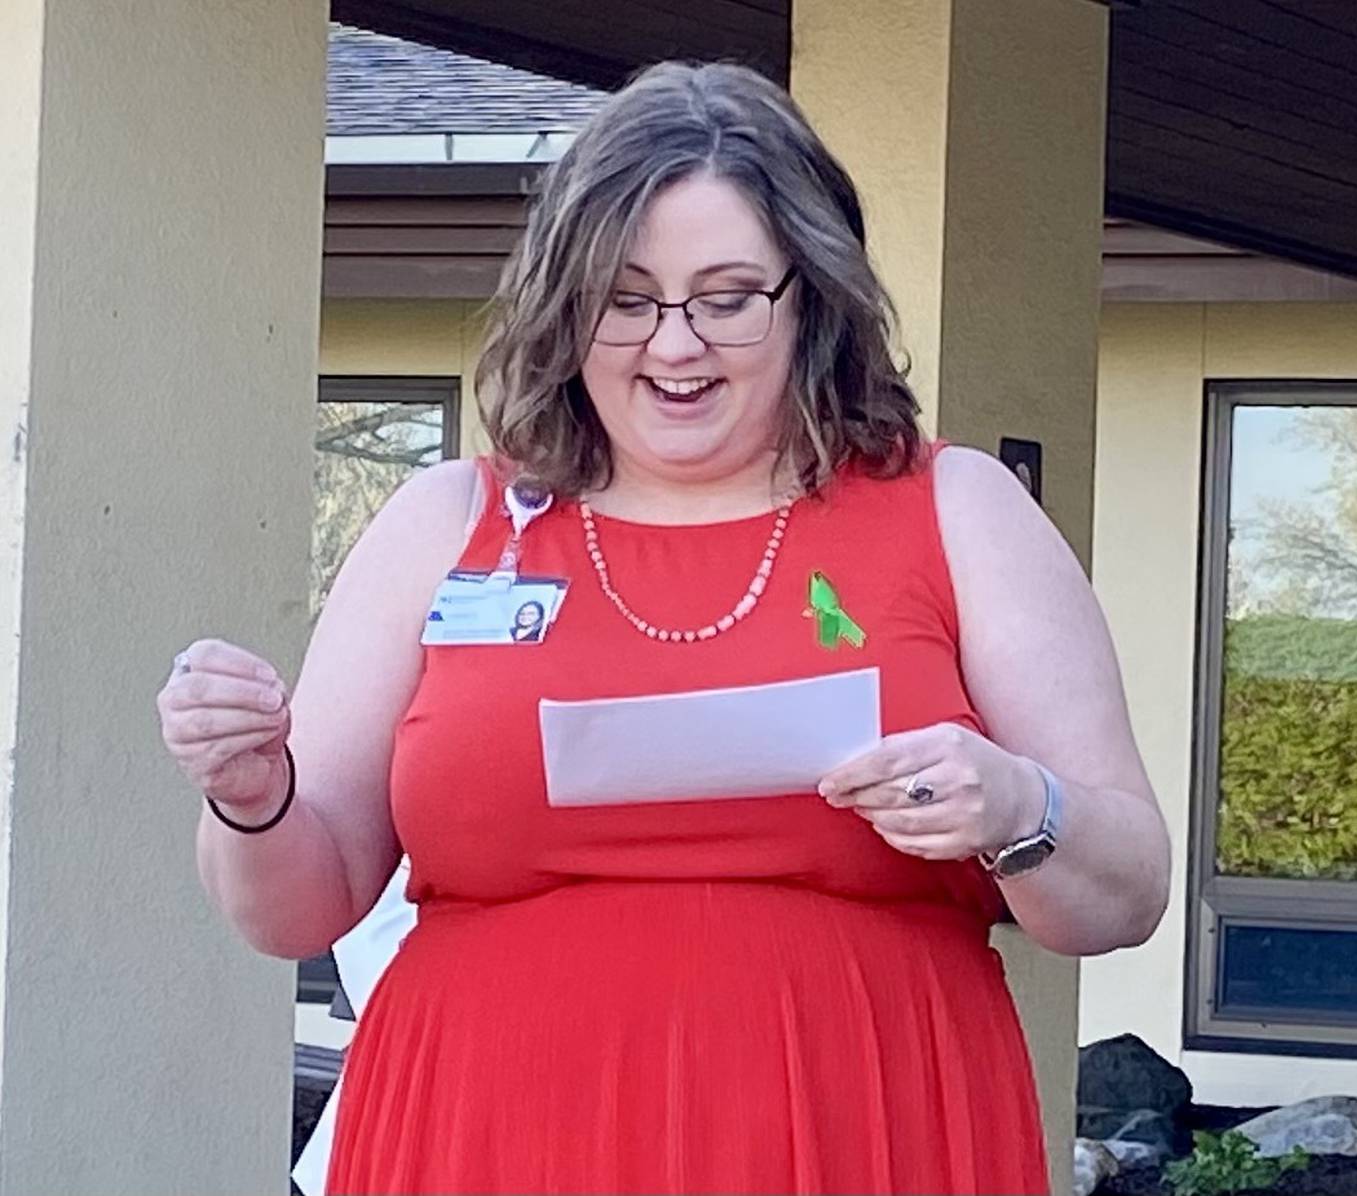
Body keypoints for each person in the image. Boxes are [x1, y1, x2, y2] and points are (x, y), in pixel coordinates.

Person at [157, 61, 1169, 1195]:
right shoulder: (445, 521)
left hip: (857, 1127)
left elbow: (1125, 890)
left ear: (812, 297)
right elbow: (299, 900)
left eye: (727, 296)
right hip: (487, 1136)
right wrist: (253, 794)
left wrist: (1019, 806)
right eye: (626, 299)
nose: (674, 344)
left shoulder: (958, 508)